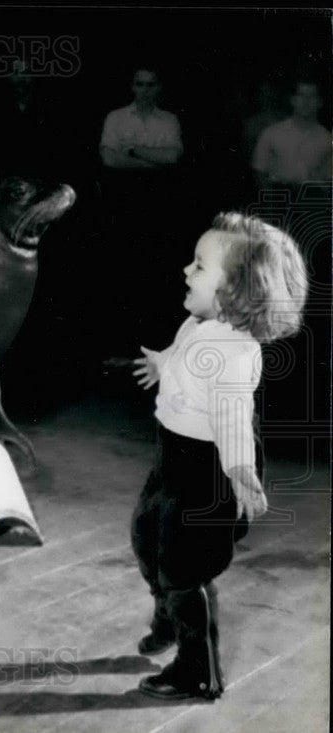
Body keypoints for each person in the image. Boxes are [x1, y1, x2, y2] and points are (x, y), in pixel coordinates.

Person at [129, 212, 308, 700]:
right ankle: (169, 614)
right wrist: (163, 363)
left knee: (184, 567)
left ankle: (198, 670)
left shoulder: (233, 354)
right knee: (147, 538)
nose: (187, 271)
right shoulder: (202, 322)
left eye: (201, 267)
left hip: (208, 471)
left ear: (237, 292)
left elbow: (232, 423)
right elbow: (185, 354)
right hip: (173, 458)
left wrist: (241, 475)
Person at [96, 66, 187, 356]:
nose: (145, 89)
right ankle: (122, 347)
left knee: (158, 274)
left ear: (159, 88)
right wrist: (152, 162)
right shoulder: (116, 117)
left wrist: (132, 151)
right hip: (123, 203)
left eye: (151, 84)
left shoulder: (169, 120)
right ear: (132, 87)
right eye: (139, 84)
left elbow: (172, 157)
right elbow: (110, 159)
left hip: (160, 205)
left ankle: (157, 346)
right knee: (123, 273)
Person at [252, 78, 333, 189]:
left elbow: (329, 179)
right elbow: (259, 172)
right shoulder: (271, 134)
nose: (306, 101)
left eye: (312, 96)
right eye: (301, 95)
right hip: (279, 200)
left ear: (320, 103)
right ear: (293, 100)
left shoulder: (327, 139)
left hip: (312, 200)